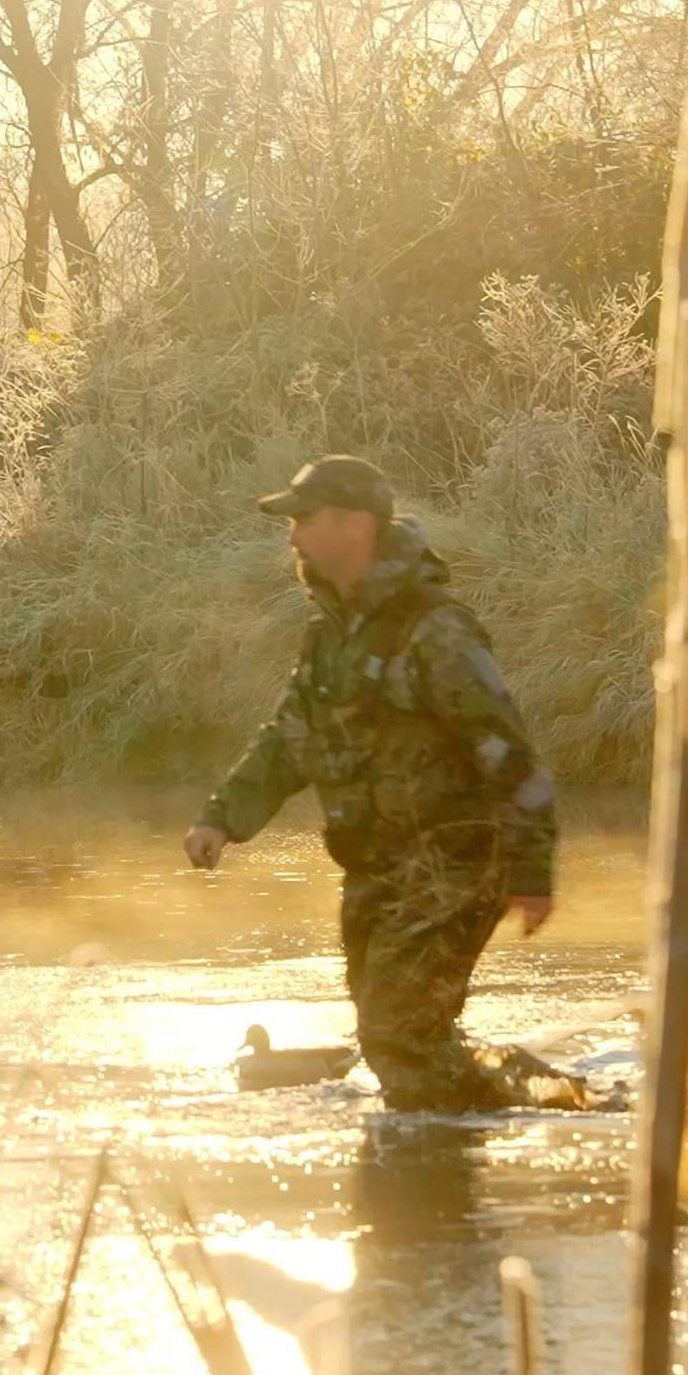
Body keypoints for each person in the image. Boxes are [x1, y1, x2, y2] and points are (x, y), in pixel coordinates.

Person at [184, 455, 571, 1111]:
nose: (293, 533)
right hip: (377, 869)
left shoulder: (434, 630)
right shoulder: (330, 633)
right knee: (397, 1034)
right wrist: (222, 818)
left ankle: (449, 1168)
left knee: (397, 1032)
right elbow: (289, 736)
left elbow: (510, 753)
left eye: (306, 519)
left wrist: (531, 871)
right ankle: (532, 1102)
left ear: (354, 524)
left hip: (455, 861)